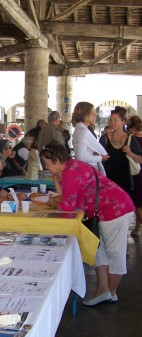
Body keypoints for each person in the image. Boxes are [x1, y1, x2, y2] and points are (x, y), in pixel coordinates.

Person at [41, 142, 134, 306]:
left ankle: (111, 292)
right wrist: (55, 178)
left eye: (47, 163)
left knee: (115, 254)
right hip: (110, 208)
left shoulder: (70, 173)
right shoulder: (71, 166)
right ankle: (103, 290)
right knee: (101, 252)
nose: (46, 167)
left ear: (56, 160)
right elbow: (65, 197)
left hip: (114, 209)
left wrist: (53, 204)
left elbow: (66, 205)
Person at [99, 106, 142, 195]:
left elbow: (140, 159)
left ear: (123, 121)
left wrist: (130, 153)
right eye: (111, 120)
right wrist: (100, 157)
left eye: (115, 120)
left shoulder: (130, 139)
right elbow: (96, 156)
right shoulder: (104, 139)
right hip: (108, 182)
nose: (112, 123)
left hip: (125, 183)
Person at [72, 102, 110, 174]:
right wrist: (101, 158)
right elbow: (81, 157)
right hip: (88, 170)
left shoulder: (79, 129)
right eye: (92, 112)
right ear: (85, 114)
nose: (94, 115)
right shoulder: (83, 131)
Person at [126, 115, 142, 236]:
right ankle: (137, 228)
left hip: (137, 175)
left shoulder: (132, 140)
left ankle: (138, 228)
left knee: (138, 203)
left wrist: (130, 153)